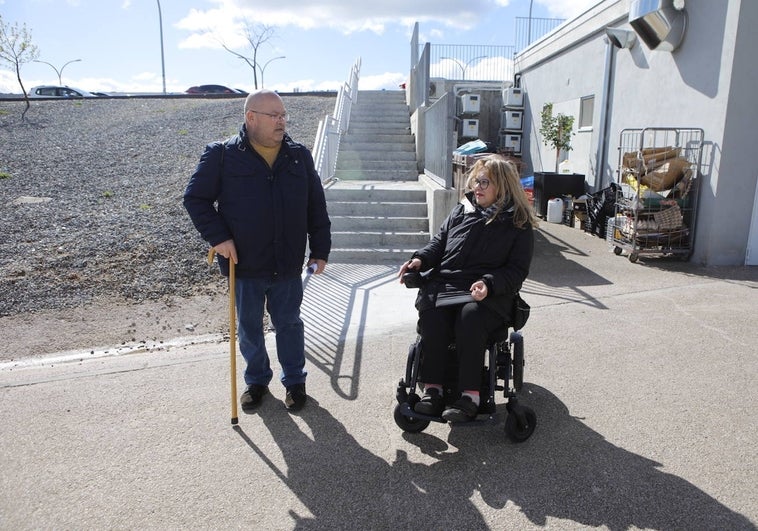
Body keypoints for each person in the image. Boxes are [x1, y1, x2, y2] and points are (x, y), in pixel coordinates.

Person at [184, 89, 331, 412]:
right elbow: (196, 199)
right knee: (249, 327)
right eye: (274, 116)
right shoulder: (221, 154)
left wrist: (320, 249)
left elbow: (315, 206)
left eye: (283, 115)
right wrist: (219, 238)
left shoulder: (298, 156)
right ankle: (257, 381)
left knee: (289, 324)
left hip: (287, 261)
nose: (282, 122)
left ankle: (295, 381)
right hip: (244, 262)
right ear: (251, 117)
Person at [398, 154, 536, 422]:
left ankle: (470, 396)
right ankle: (433, 390)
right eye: (476, 181)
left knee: (470, 317)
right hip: (448, 285)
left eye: (485, 182)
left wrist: (489, 283)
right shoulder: (462, 210)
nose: (477, 187)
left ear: (504, 186)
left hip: (489, 294)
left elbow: (516, 272)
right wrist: (420, 259)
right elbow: (438, 244)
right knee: (433, 316)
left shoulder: (518, 224)